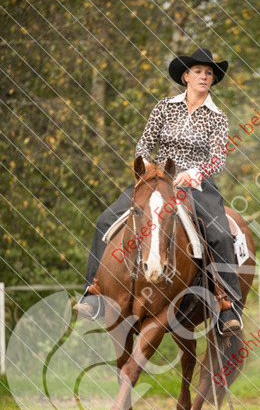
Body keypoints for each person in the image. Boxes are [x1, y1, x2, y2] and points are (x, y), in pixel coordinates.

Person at [74, 47, 243, 333]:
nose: (204, 76)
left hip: (196, 185)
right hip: (155, 179)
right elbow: (145, 142)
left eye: (209, 73)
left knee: (220, 234)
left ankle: (227, 304)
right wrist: (147, 168)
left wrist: (194, 173)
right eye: (198, 71)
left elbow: (218, 159)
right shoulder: (164, 106)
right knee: (105, 220)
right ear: (186, 76)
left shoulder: (218, 117)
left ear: (213, 80)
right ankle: (93, 290)